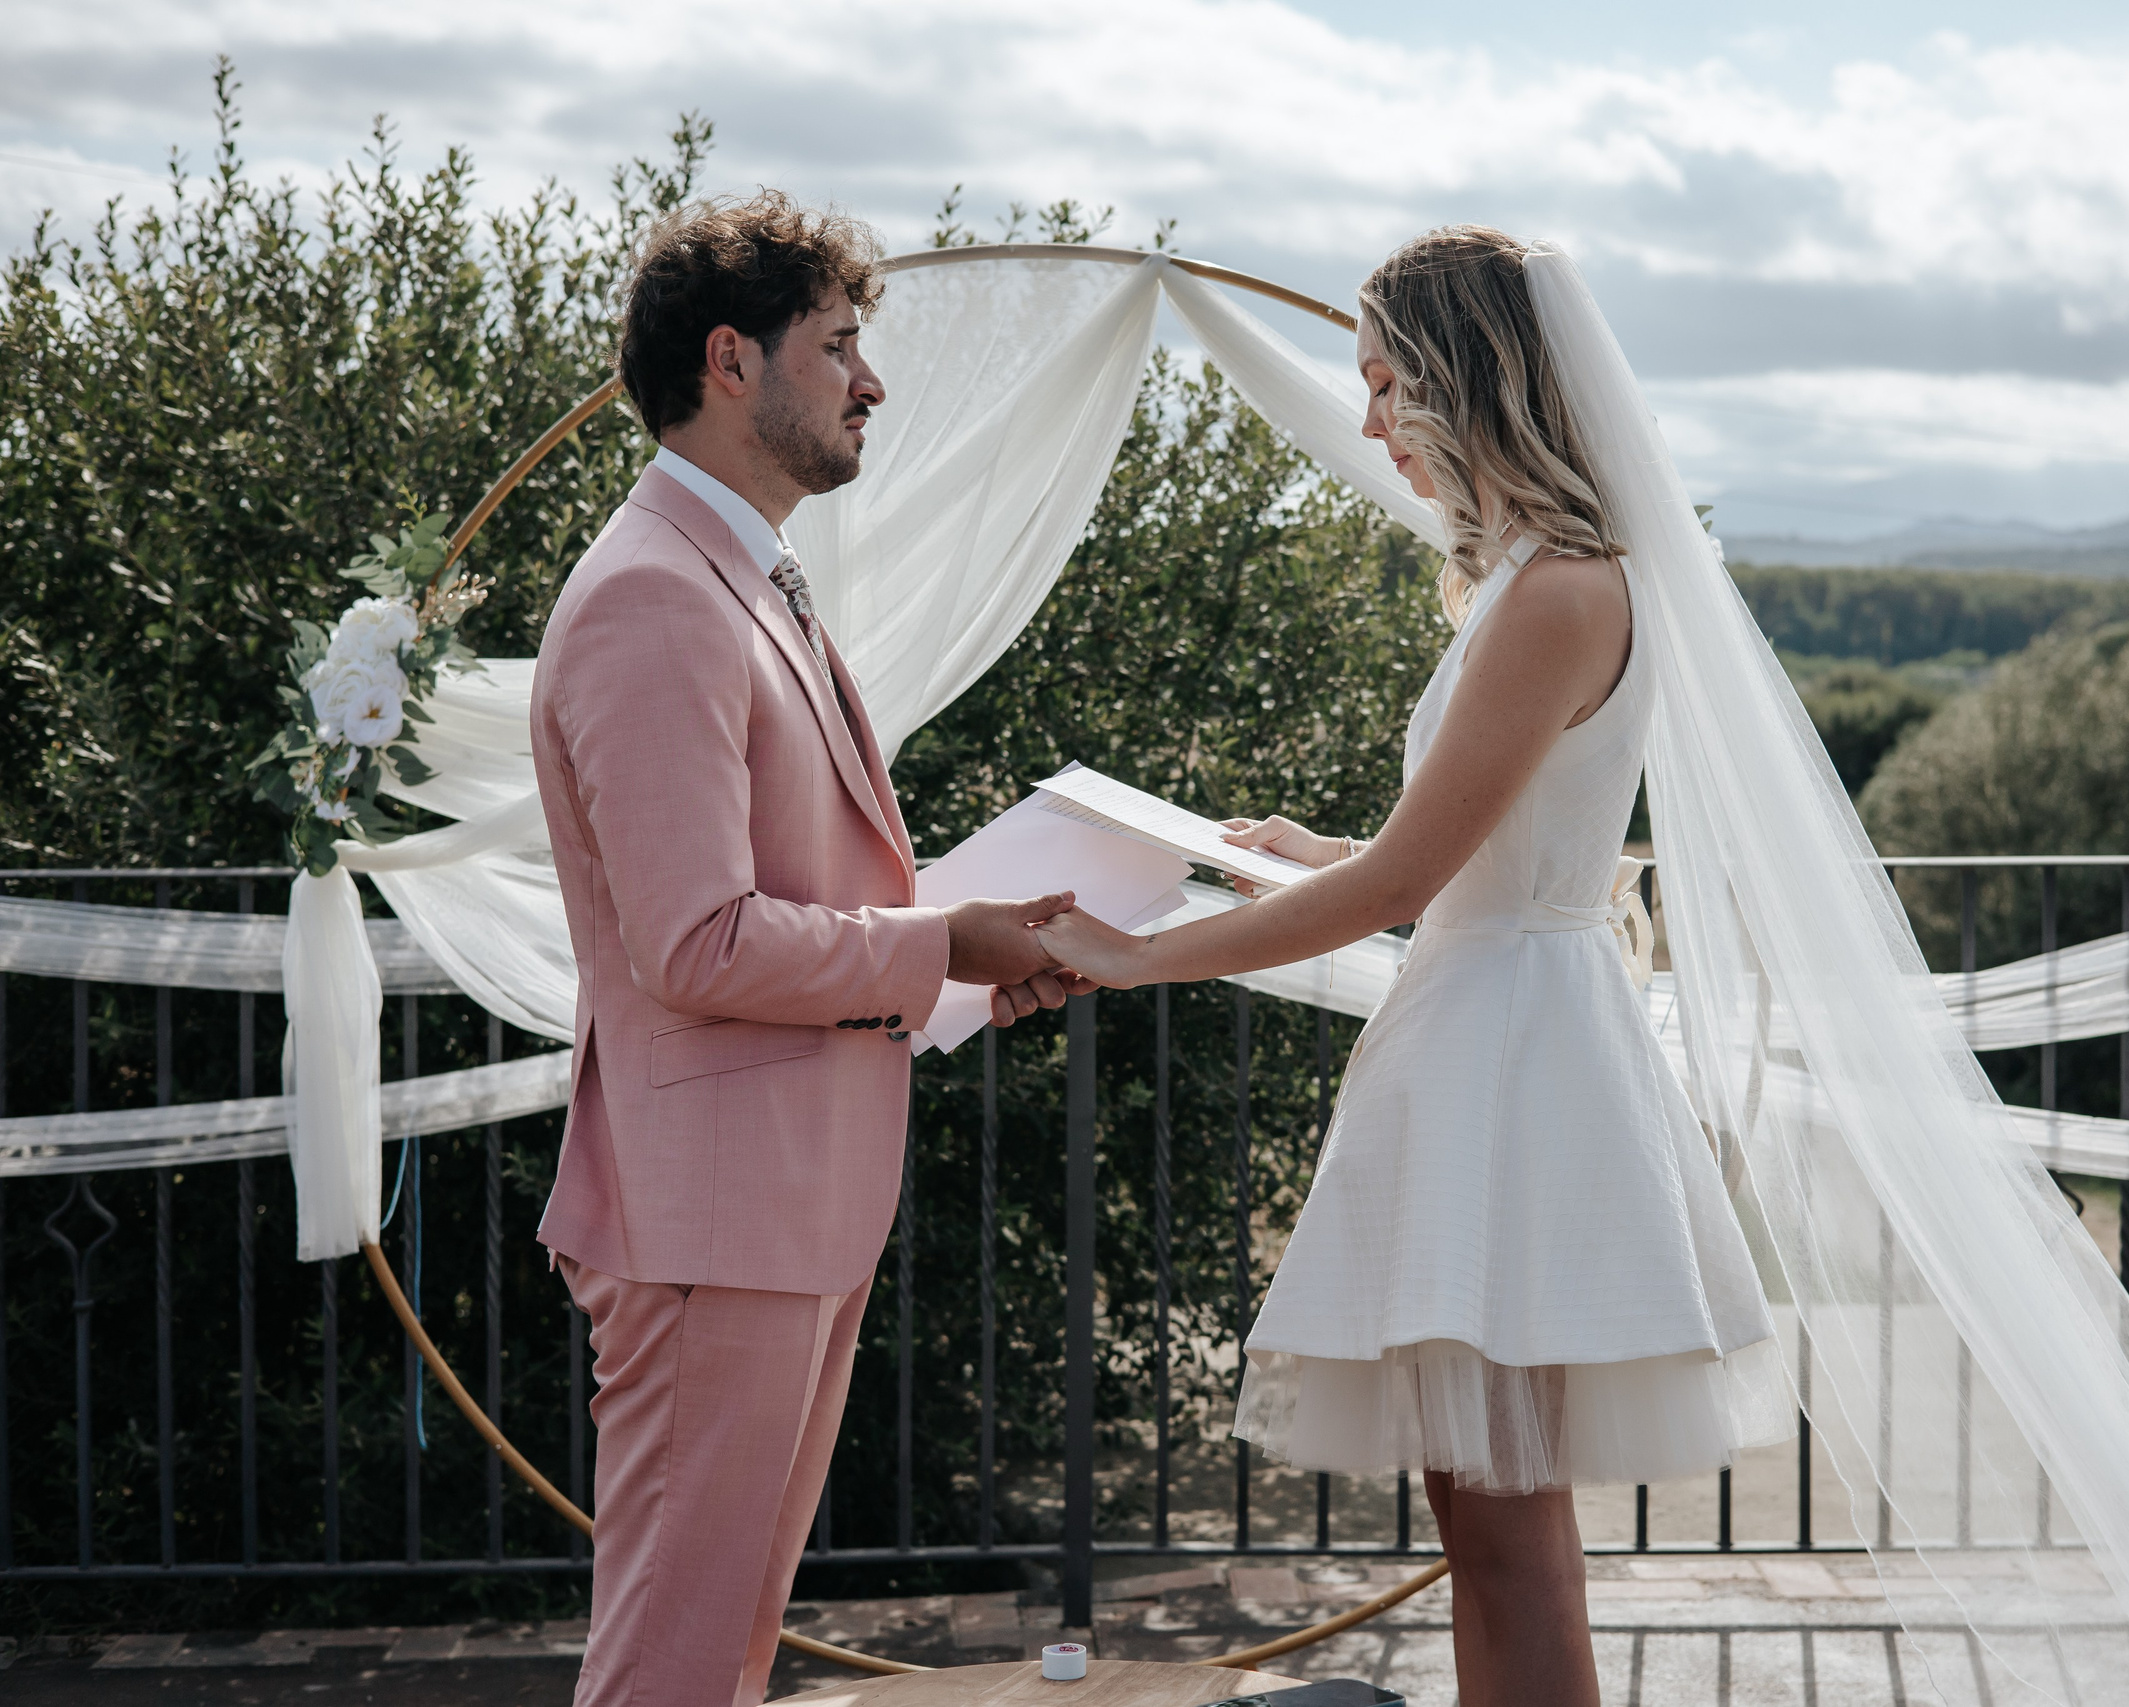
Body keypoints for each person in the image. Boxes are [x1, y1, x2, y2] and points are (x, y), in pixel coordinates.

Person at [1032, 226, 1794, 1707]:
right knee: (1490, 1527)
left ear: (1465, 381)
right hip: (1500, 1032)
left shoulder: (1562, 592)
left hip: (1513, 1070)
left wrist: (1133, 959)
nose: (1370, 419)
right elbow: (1465, 853)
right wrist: (1319, 851)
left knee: (1507, 1540)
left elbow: (1401, 889)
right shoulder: (1534, 582)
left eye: (1387, 383)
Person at [529, 192, 1083, 1707]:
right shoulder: (654, 596)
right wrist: (940, 941)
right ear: (731, 360)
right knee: (671, 1664)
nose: (870, 382)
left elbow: (781, 896)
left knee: (726, 1654)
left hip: (776, 1207)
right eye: (837, 346)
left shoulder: (734, 573)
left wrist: (957, 968)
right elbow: (697, 944)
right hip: (712, 1225)